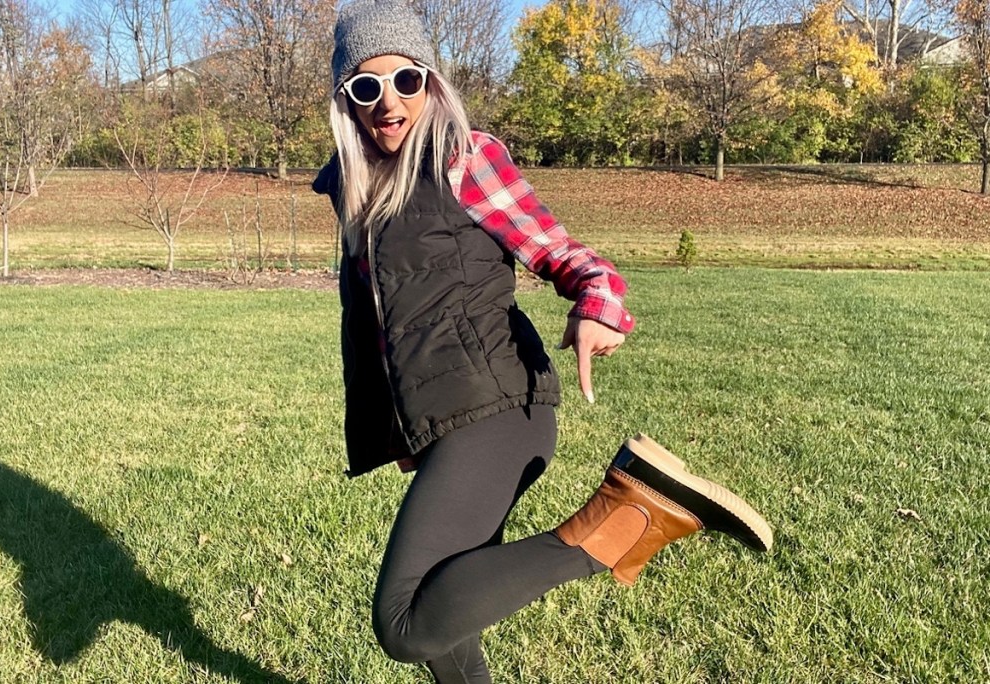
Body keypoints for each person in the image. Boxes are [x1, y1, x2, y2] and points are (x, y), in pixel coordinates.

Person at [312, 2, 773, 682]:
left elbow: (563, 252)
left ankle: (623, 520)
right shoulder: (358, 192)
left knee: (404, 622)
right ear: (345, 102)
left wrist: (599, 306)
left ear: (431, 82)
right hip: (449, 421)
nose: (388, 102)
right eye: (366, 87)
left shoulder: (462, 157)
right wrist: (402, 434)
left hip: (499, 413)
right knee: (447, 624)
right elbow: (379, 331)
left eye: (405, 80)